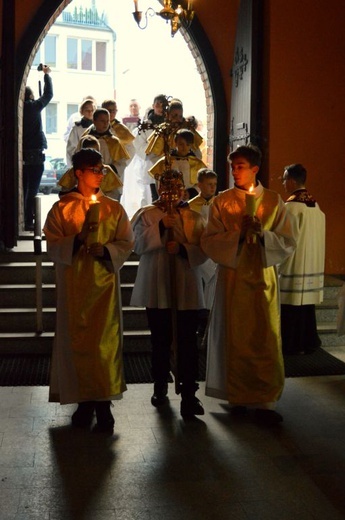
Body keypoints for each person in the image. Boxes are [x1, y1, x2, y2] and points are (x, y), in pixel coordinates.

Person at [201, 144, 296, 426]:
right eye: (232, 166)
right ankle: (238, 396)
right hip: (233, 279)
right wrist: (238, 236)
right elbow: (209, 240)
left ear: (255, 169)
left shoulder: (274, 201)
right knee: (236, 336)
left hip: (262, 280)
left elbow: (288, 241)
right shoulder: (222, 201)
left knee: (264, 336)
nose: (234, 171)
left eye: (240, 166)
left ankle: (266, 400)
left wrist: (263, 236)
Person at [43, 148, 134, 433]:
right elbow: (53, 244)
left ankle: (104, 403)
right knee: (79, 344)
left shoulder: (113, 208)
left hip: (104, 288)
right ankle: (83, 401)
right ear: (79, 172)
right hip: (75, 287)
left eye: (102, 170)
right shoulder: (62, 208)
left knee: (103, 345)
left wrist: (106, 250)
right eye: (95, 169)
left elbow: (126, 242)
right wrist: (77, 240)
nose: (100, 175)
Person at [130, 169, 207, 418]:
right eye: (166, 186)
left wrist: (184, 249)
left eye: (176, 186)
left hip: (185, 284)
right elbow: (137, 245)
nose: (171, 192)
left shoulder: (194, 216)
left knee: (187, 342)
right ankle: (160, 385)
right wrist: (161, 227)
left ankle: (189, 394)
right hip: (157, 284)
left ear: (183, 188)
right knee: (160, 340)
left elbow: (204, 249)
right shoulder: (147, 214)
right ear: (159, 187)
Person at [279, 163, 326, 355]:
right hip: (312, 263)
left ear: (291, 180)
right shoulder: (315, 206)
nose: (283, 183)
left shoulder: (290, 207)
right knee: (306, 307)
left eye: (283, 179)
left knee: (291, 306)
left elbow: (282, 239)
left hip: (294, 265)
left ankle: (291, 344)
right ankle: (308, 341)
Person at [22, 64, 53, 231]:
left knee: (24, 189)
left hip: (21, 155)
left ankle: (24, 219)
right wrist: (47, 75)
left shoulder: (15, 110)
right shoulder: (34, 107)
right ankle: (28, 220)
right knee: (32, 190)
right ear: (30, 96)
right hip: (35, 155)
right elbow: (48, 95)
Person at [189, 168, 218, 335]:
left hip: (215, 251)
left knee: (213, 286)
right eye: (209, 185)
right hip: (198, 251)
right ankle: (200, 320)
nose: (212, 188)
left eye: (214, 185)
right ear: (199, 185)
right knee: (200, 287)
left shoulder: (220, 203)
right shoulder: (191, 206)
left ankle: (211, 319)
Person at [81, 108, 130, 199]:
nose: (105, 124)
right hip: (89, 180)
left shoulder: (114, 142)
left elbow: (122, 162)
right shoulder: (86, 140)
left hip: (108, 181)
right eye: (102, 121)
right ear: (94, 121)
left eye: (107, 121)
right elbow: (78, 158)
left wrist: (110, 169)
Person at [149, 129, 207, 199]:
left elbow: (203, 182)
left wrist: (191, 193)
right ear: (175, 143)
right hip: (170, 199)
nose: (184, 147)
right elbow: (158, 181)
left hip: (190, 201)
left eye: (188, 145)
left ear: (191, 145)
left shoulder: (197, 163)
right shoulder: (165, 162)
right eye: (181, 144)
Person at [58, 135, 122, 198]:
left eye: (95, 152)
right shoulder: (72, 172)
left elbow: (114, 194)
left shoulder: (107, 170)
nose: (101, 175)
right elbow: (64, 193)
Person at [66, 98, 96, 166]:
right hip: (81, 163)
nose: (90, 112)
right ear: (82, 111)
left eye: (92, 110)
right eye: (87, 110)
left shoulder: (98, 127)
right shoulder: (76, 128)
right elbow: (71, 149)